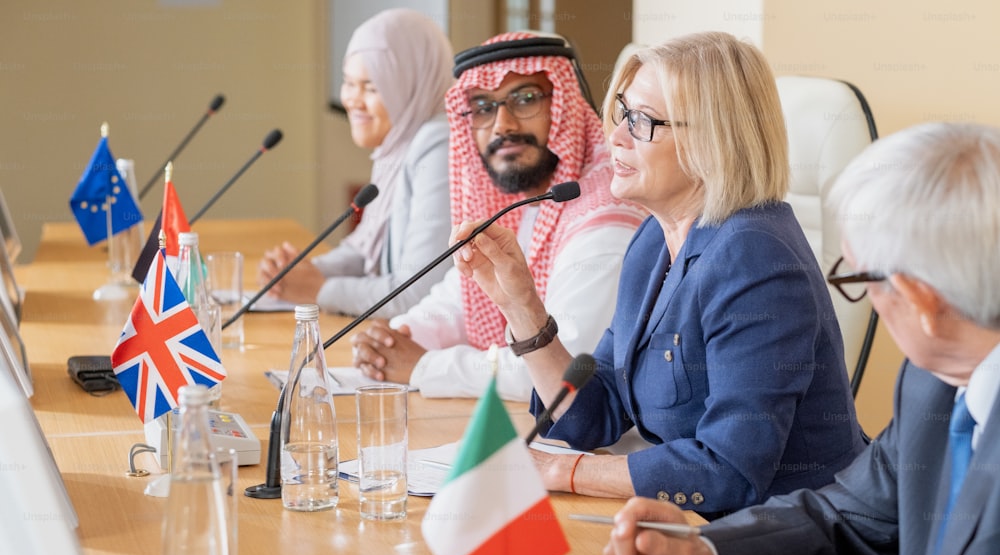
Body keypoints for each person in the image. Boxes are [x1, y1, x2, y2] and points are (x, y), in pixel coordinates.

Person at [565, 121, 1000, 555]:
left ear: (920, 300)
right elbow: (847, 516)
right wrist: (705, 554)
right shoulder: (934, 381)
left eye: (858, 278)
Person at [452, 32, 865, 511]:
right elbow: (596, 412)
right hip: (696, 527)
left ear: (715, 139)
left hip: (792, 549)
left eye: (643, 121)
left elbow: (730, 470)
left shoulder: (755, 259)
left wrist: (565, 470)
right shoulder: (654, 240)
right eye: (624, 113)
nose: (617, 136)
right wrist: (520, 304)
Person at [349, 32, 646, 401]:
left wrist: (423, 367)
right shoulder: (520, 202)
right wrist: (396, 338)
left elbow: (562, 367)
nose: (502, 125)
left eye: (525, 100)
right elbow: (463, 300)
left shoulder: (606, 211)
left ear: (565, 105)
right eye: (484, 108)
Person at [256, 9, 453, 318]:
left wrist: (316, 289)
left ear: (412, 85)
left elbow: (416, 293)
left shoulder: (439, 144)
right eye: (349, 83)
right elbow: (365, 253)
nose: (353, 100)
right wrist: (295, 273)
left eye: (372, 88)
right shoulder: (397, 145)